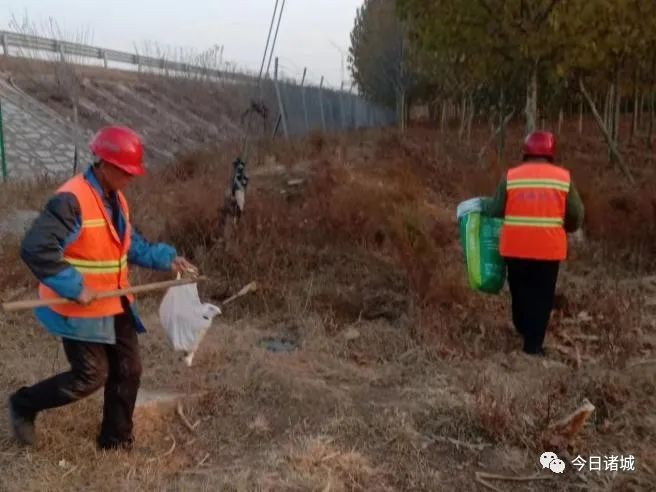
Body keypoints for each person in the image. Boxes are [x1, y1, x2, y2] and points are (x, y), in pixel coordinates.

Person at [8, 126, 197, 450]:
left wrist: (167, 258)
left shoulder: (117, 200)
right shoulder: (71, 200)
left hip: (114, 301)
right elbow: (36, 247)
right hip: (78, 307)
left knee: (129, 369)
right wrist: (73, 287)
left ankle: (116, 439)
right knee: (90, 376)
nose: (131, 178)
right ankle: (23, 404)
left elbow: (130, 244)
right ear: (105, 164)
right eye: (126, 172)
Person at [483, 131, 584, 356]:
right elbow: (577, 214)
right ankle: (533, 346)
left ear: (525, 152)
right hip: (548, 250)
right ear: (551, 153)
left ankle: (521, 326)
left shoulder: (511, 176)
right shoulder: (563, 178)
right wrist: (565, 227)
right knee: (542, 296)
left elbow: (495, 209)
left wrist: (483, 208)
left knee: (519, 291)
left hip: (515, 248)